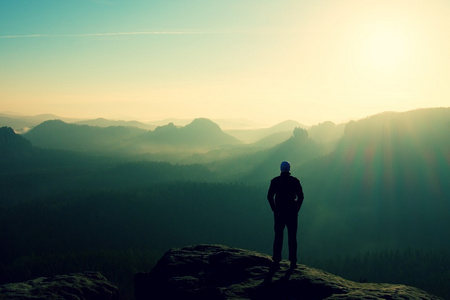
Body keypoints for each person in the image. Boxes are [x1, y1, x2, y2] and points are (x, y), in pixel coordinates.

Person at [267, 161, 304, 269]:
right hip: (292, 213)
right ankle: (293, 261)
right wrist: (296, 209)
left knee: (278, 236)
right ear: (289, 168)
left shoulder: (275, 181)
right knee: (292, 237)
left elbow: (269, 196)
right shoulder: (295, 181)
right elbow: (301, 197)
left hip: (279, 213)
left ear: (281, 168)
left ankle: (276, 259)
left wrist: (274, 209)